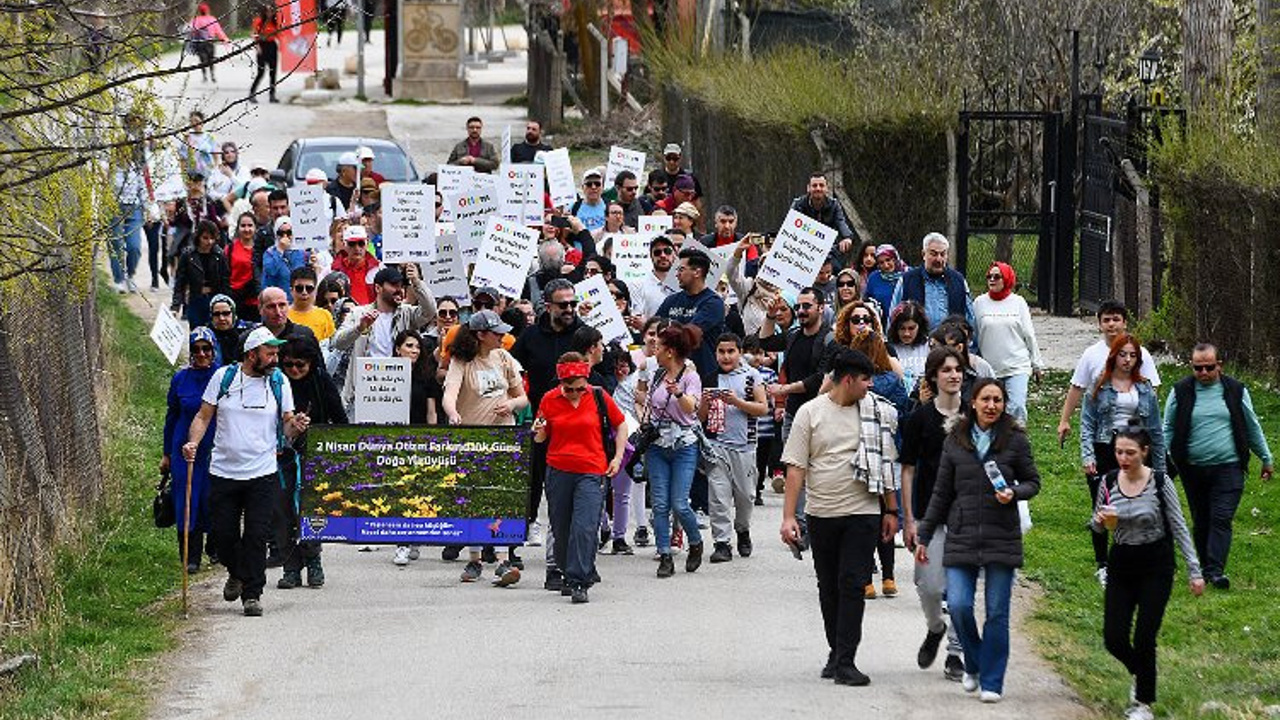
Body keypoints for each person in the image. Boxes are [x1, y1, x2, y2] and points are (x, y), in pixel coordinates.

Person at [914, 378, 1041, 703]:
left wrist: (1014, 492)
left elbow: (1032, 482)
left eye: (997, 400)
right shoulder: (955, 440)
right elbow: (941, 492)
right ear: (974, 403)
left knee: (997, 613)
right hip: (962, 534)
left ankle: (992, 680)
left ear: (1003, 404)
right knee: (958, 605)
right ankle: (972, 662)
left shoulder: (1015, 440)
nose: (991, 406)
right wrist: (925, 535)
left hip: (1002, 536)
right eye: (985, 399)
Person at [779, 348, 899, 686]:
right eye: (865, 379)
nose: (870, 385)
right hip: (821, 513)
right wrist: (789, 517)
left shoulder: (876, 414)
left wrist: (891, 510)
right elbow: (796, 467)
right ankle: (836, 650)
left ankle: (847, 660)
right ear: (847, 379)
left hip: (863, 513)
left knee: (852, 583)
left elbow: (885, 463)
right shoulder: (810, 413)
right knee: (828, 586)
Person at [182, 327, 310, 617]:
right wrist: (192, 443)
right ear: (252, 355)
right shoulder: (224, 378)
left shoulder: (278, 382)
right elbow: (203, 416)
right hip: (224, 471)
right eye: (270, 352)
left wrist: (296, 426)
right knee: (222, 535)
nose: (276, 357)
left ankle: (252, 594)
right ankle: (237, 572)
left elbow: (287, 427)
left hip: (262, 472)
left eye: (276, 351)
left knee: (256, 535)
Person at [1092, 423, 1205, 720]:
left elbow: (1179, 525)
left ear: (1145, 451)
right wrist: (1102, 521)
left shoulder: (1159, 481)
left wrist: (1195, 570)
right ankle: (1140, 672)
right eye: (1118, 452)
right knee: (1114, 638)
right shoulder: (1109, 481)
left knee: (1144, 637)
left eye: (1130, 452)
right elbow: (1095, 524)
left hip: (1156, 564)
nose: (1123, 458)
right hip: (1122, 563)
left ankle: (1143, 702)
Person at [1162, 343, 1274, 590]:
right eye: (1197, 368)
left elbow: (1251, 425)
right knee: (1202, 519)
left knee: (1221, 517)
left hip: (1229, 467)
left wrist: (1266, 458)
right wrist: (1163, 458)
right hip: (1192, 468)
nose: (1203, 373)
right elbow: (1167, 427)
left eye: (1209, 368)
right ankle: (1205, 565)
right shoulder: (1180, 391)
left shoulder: (1235, 390)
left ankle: (1215, 571)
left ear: (1219, 366)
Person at [533, 352, 628, 603]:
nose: (574, 393)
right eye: (569, 389)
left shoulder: (598, 396)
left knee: (584, 526)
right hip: (558, 469)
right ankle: (568, 571)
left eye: (578, 388)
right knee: (561, 527)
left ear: (586, 380)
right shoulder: (549, 399)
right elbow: (540, 437)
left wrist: (617, 458)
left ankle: (579, 580)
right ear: (560, 383)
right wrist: (538, 431)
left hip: (592, 469)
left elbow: (621, 425)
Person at [442, 310, 529, 586]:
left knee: (502, 496)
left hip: (504, 435)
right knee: (473, 498)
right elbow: (449, 395)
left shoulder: (504, 357)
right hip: (473, 438)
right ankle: (474, 558)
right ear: (481, 335)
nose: (502, 336)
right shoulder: (462, 360)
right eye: (497, 332)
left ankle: (503, 560)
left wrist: (512, 405)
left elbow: (523, 397)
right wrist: (453, 414)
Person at [510, 280, 586, 581]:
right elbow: (511, 369)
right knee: (529, 486)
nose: (569, 310)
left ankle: (569, 552)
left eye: (572, 304)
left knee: (568, 492)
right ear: (548, 305)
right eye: (563, 304)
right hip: (540, 422)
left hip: (577, 424)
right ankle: (511, 543)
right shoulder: (530, 336)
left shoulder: (582, 334)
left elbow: (601, 367)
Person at [901, 347, 968, 682]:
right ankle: (935, 627)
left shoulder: (976, 416)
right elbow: (908, 469)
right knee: (928, 586)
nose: (954, 375)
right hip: (929, 514)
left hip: (967, 516)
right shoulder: (921, 418)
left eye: (958, 369)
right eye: (946, 370)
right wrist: (909, 519)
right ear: (933, 377)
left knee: (960, 591)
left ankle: (956, 653)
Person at [834, 301, 908, 598]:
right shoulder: (892, 381)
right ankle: (889, 577)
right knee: (886, 517)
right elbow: (903, 413)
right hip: (886, 458)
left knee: (862, 522)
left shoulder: (853, 383)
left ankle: (866, 579)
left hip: (856, 456)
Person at [1080, 334, 1164, 586]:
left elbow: (1156, 429)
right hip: (1105, 448)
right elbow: (1087, 423)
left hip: (1135, 451)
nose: (1127, 360)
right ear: (1113, 356)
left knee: (1137, 505)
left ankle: (1132, 561)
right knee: (1104, 508)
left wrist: (1159, 467)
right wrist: (1087, 455)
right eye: (1122, 354)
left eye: (1132, 355)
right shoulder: (1099, 384)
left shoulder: (1145, 387)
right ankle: (1103, 564)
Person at [276, 337, 348, 590]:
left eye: (300, 365)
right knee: (283, 511)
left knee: (310, 510)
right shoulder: (277, 382)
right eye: (289, 365)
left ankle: (314, 561)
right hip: (280, 454)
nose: (294, 370)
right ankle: (290, 567)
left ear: (311, 363)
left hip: (314, 454)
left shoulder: (320, 380)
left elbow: (339, 418)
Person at [642, 323, 706, 578]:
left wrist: (679, 394)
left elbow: (692, 407)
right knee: (659, 504)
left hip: (684, 445)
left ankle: (695, 541)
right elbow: (648, 403)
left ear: (669, 351)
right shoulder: (656, 375)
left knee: (679, 503)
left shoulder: (691, 376)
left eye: (658, 347)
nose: (654, 351)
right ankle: (665, 554)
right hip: (658, 445)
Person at [700, 333, 767, 563]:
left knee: (745, 496)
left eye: (731, 351)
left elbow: (762, 408)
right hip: (716, 445)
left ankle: (742, 530)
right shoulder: (710, 378)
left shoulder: (751, 376)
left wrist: (736, 402)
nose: (726, 356)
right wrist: (705, 403)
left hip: (745, 446)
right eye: (721, 351)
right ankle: (721, 542)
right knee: (718, 495)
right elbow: (700, 417)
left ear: (739, 353)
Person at [331, 265, 437, 409]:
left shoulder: (407, 313)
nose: (399, 289)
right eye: (393, 285)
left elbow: (430, 311)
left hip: (397, 387)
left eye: (401, 285)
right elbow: (337, 342)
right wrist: (359, 328)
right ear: (378, 288)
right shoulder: (358, 313)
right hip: (365, 388)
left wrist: (417, 282)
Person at [1058, 300, 1162, 445]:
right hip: (1102, 431)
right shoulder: (1091, 354)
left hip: (1135, 430)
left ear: (1125, 323)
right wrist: (1064, 420)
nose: (1111, 324)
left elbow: (1152, 390)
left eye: (1116, 319)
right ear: (1100, 325)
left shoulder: (1140, 353)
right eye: (1106, 320)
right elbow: (1077, 387)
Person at [161, 329, 222, 573]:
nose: (201, 354)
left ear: (214, 349)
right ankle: (190, 555)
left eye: (206, 349)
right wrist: (166, 453)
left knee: (213, 496)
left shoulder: (221, 376)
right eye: (196, 349)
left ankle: (215, 547)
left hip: (214, 446)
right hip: (184, 447)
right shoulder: (180, 379)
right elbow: (171, 415)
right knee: (186, 499)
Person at [973, 261, 1044, 424]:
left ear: (1006, 279)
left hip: (1016, 366)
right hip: (990, 368)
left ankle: (1015, 443)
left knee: (1016, 407)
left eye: (997, 276)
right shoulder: (979, 303)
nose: (992, 279)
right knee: (990, 410)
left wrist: (1037, 364)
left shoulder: (1018, 302)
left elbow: (1029, 334)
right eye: (989, 276)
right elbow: (974, 335)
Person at [655, 247, 727, 381]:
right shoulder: (671, 300)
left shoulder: (713, 303)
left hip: (702, 376)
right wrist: (645, 325)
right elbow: (655, 327)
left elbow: (690, 335)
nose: (677, 274)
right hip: (670, 374)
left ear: (696, 272)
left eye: (681, 269)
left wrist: (666, 331)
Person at [891, 233, 974, 330]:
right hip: (917, 343)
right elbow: (893, 316)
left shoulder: (958, 281)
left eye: (942, 254)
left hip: (950, 343)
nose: (939, 259)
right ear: (923, 254)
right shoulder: (907, 280)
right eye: (933, 254)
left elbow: (969, 318)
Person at [172, 219, 230, 327]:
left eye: (212, 238)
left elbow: (225, 281)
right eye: (205, 238)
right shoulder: (188, 255)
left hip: (215, 300)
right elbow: (180, 282)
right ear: (198, 237)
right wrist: (175, 306)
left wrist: (227, 303)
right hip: (195, 300)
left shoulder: (219, 255)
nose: (209, 242)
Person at [791, 173, 855, 262]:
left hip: (828, 252)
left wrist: (847, 238)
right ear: (808, 188)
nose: (818, 188)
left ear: (826, 188)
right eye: (814, 185)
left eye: (821, 185)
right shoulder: (798, 204)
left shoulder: (834, 205)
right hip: (802, 251)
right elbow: (791, 227)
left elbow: (841, 222)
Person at [887, 301, 930, 396]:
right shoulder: (888, 348)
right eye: (902, 328)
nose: (906, 333)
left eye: (911, 328)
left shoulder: (929, 346)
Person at [331, 225, 381, 305]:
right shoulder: (332, 271)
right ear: (344, 244)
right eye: (352, 244)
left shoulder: (379, 270)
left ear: (367, 243)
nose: (357, 248)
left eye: (361, 243)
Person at [227, 212, 261, 323]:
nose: (247, 229)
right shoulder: (230, 248)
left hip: (256, 301)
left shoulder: (261, 248)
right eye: (243, 226)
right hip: (236, 299)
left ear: (256, 227)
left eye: (250, 225)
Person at [261, 216, 307, 299]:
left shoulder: (301, 252)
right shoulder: (270, 253)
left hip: (298, 299)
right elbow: (271, 271)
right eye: (281, 233)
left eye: (289, 233)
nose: (285, 236)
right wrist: (280, 251)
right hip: (276, 299)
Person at [287, 266, 336, 342]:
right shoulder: (283, 315)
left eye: (309, 288)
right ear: (291, 290)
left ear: (315, 290)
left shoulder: (325, 315)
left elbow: (331, 345)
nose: (304, 292)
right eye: (299, 288)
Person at [187, 4, 230, 82]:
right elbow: (218, 31)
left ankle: (204, 76)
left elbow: (191, 30)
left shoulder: (196, 20)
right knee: (211, 60)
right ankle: (212, 75)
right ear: (208, 10)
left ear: (199, 11)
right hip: (210, 42)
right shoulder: (212, 19)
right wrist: (224, 39)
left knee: (202, 60)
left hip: (199, 43)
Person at [864, 244, 905, 326]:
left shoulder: (908, 275)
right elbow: (867, 300)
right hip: (881, 325)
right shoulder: (874, 278)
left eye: (888, 260)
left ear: (895, 259)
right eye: (881, 262)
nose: (886, 265)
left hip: (905, 325)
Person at [208, 294, 253, 365]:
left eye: (226, 313)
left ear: (234, 314)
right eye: (216, 314)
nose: (221, 318)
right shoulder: (207, 334)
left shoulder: (249, 331)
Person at [249, 3, 280, 103]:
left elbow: (280, 34)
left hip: (272, 46)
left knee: (273, 72)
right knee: (261, 72)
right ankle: (252, 93)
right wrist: (257, 47)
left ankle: (272, 95)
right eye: (267, 11)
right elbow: (253, 34)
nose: (269, 13)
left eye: (271, 11)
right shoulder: (258, 21)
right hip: (262, 46)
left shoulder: (275, 22)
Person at [572, 167, 608, 233]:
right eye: (589, 184)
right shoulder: (573, 207)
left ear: (602, 187)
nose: (593, 187)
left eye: (597, 184)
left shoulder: (609, 206)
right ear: (582, 187)